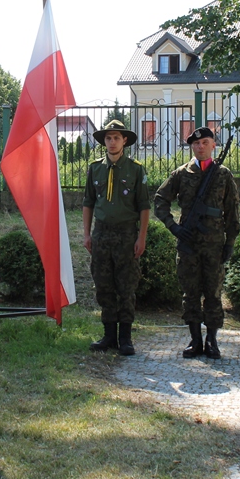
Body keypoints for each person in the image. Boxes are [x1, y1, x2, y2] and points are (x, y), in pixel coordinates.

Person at [153, 126, 240, 359]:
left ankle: (212, 340)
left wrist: (230, 242)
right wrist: (173, 227)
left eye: (205, 143)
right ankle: (195, 339)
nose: (200, 147)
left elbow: (232, 211)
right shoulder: (181, 173)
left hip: (214, 244)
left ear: (213, 145)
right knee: (190, 293)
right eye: (196, 143)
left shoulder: (223, 174)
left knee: (213, 292)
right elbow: (160, 200)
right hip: (188, 243)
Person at [83, 119, 150, 356]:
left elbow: (144, 206)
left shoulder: (135, 169)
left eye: (117, 138)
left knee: (126, 285)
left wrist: (141, 237)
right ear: (104, 141)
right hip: (101, 233)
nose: (112, 142)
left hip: (126, 234)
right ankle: (109, 335)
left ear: (124, 141)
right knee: (104, 285)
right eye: (108, 138)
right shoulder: (95, 168)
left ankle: (126, 338)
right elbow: (88, 202)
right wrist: (87, 234)